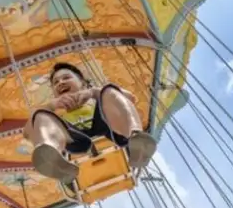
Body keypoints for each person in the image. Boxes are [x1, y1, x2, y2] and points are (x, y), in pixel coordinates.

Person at [24, 62, 157, 182]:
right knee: (40, 115)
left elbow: (130, 97)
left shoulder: (98, 98)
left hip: (109, 129)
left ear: (82, 82)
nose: (61, 83)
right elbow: (27, 132)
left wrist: (93, 92)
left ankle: (136, 137)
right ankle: (51, 155)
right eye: (56, 82)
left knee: (109, 90)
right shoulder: (57, 119)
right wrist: (51, 106)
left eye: (66, 78)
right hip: (76, 141)